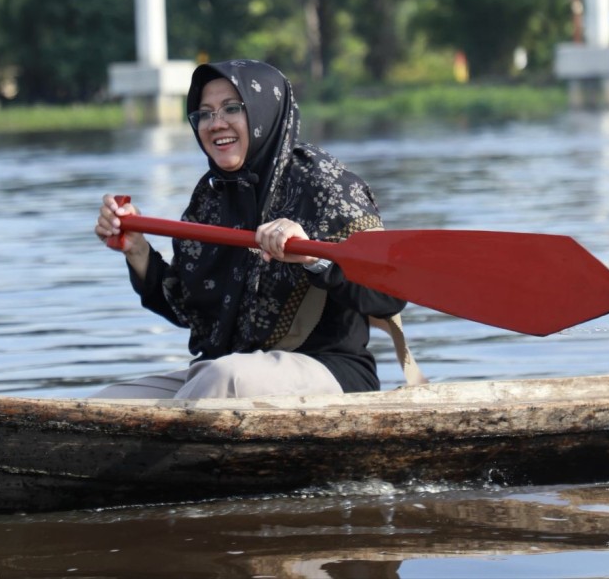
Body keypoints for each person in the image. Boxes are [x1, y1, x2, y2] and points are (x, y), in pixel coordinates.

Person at [91, 59, 407, 400]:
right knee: (104, 403)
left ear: (263, 113)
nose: (216, 124)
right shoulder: (208, 199)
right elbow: (186, 310)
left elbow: (390, 294)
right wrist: (136, 248)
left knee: (223, 379)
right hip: (221, 370)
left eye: (231, 108)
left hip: (329, 369)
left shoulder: (326, 184)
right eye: (205, 113)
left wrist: (311, 257)